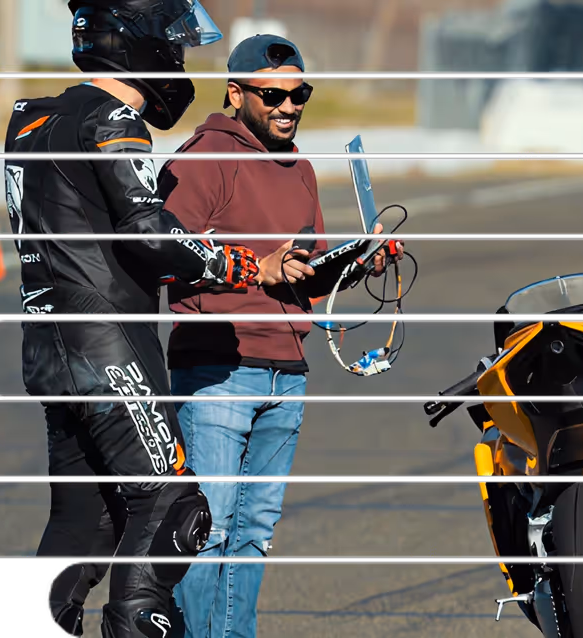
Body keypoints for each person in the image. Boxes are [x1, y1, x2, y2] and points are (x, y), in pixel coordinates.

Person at [3, 2, 261, 637]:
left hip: (47, 343)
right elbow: (149, 233)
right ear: (138, 42)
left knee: (83, 523)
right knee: (173, 506)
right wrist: (222, 260)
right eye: (173, 43)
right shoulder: (113, 120)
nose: (178, 59)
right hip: (108, 343)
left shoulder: (30, 117)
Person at [158, 35, 399, 638]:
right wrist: (252, 264)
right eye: (273, 95)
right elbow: (163, 249)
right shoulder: (206, 156)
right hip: (218, 370)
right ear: (236, 93)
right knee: (206, 532)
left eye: (299, 94)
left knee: (253, 536)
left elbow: (305, 272)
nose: (289, 106)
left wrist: (359, 263)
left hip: (287, 369)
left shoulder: (301, 168)